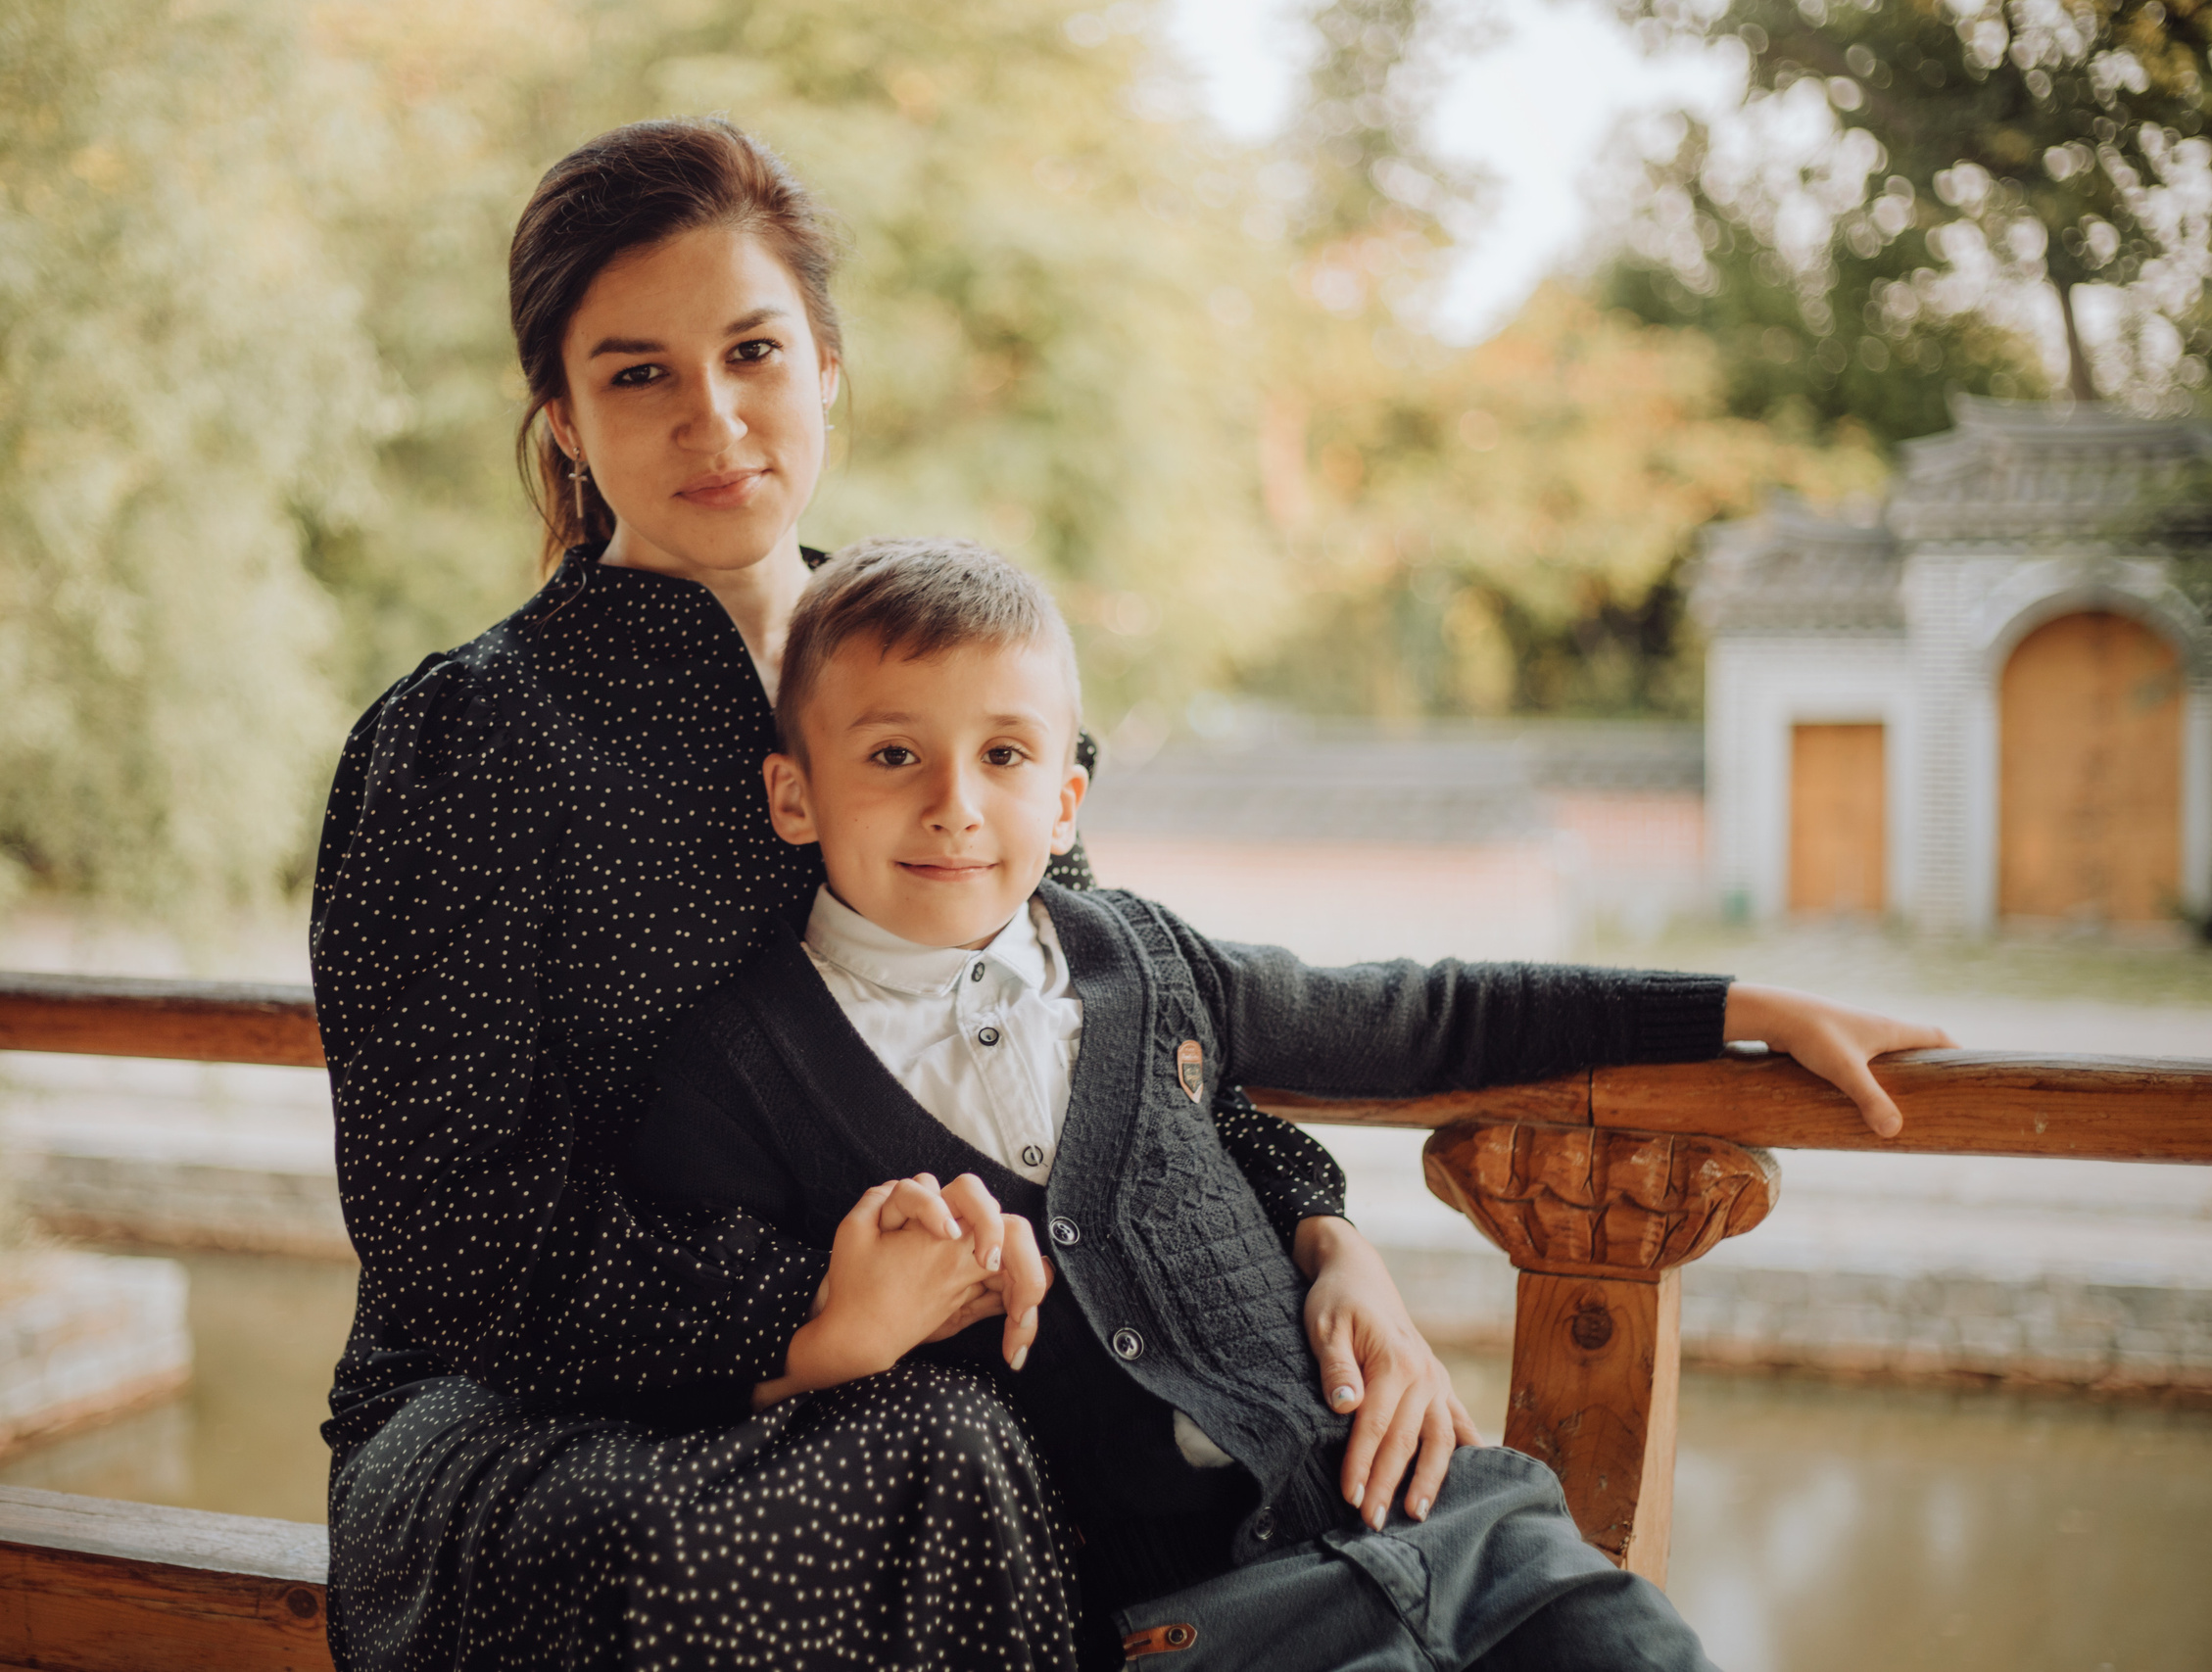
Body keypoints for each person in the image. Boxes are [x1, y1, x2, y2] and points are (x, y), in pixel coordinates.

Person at [313, 118, 1507, 1672]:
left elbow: (1103, 1019)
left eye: (753, 351)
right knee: (920, 1458)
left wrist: (1322, 1237)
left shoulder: (927, 655)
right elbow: (439, 1229)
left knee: (1005, 1438)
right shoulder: (462, 739)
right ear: (562, 415)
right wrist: (806, 1327)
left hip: (940, 1360)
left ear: (825, 365)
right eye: (639, 374)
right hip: (531, 1413)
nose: (715, 417)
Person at [630, 537, 1954, 1668]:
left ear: (1067, 791)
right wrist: (825, 1344)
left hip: (1460, 1529)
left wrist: (1731, 1010)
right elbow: (668, 1386)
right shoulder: (731, 1073)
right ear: (794, 794)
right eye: (894, 755)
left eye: (1005, 755)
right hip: (1198, 1625)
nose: (956, 806)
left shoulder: (1143, 958)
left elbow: (1422, 1012)